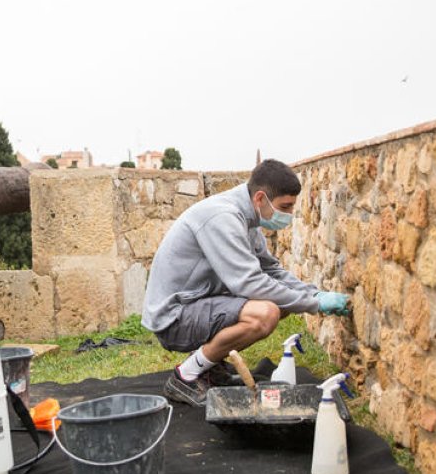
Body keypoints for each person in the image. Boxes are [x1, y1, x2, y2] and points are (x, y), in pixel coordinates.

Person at [141, 159, 351, 405]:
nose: (289, 215)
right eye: (286, 206)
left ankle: (210, 367)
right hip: (173, 317)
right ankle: (185, 376)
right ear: (260, 198)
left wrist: (314, 294)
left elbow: (271, 270)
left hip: (199, 303)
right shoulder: (223, 218)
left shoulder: (247, 216)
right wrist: (312, 304)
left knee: (281, 304)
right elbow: (250, 284)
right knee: (265, 313)